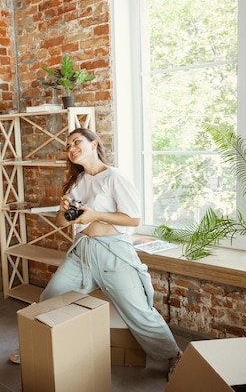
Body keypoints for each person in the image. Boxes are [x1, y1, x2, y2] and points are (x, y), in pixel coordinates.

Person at [10, 127, 182, 379]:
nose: (71, 149)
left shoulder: (114, 177)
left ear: (94, 144)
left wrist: (95, 214)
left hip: (113, 253)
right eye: (68, 146)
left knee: (138, 311)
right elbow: (61, 223)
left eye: (76, 142)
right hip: (82, 252)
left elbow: (133, 219)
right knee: (51, 297)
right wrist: (63, 208)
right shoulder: (78, 181)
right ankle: (35, 345)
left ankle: (174, 355)